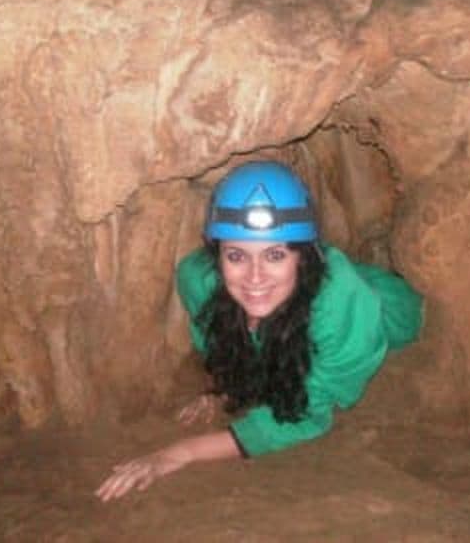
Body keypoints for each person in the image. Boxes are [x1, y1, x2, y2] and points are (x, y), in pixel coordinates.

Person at [96, 160, 423, 501]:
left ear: (304, 256)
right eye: (236, 255)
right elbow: (218, 338)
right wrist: (217, 388)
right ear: (217, 255)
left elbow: (303, 415)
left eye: (275, 254)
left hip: (393, 309)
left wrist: (177, 454)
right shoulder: (199, 279)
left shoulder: (338, 306)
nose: (254, 277)